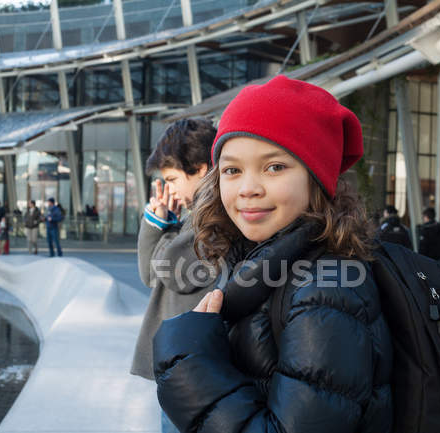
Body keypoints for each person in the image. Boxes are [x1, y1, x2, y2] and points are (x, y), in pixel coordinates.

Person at [152, 76, 392, 432]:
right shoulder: (255, 260)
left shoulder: (326, 292)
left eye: (274, 166)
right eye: (233, 170)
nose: (248, 188)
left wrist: (195, 371)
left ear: (317, 178)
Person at [130, 118, 217, 433]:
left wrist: (165, 226)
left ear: (201, 168)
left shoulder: (213, 217)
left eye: (172, 178)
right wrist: (158, 223)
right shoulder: (196, 215)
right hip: (183, 365)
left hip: (192, 371)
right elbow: (150, 275)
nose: (170, 190)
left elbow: (170, 269)